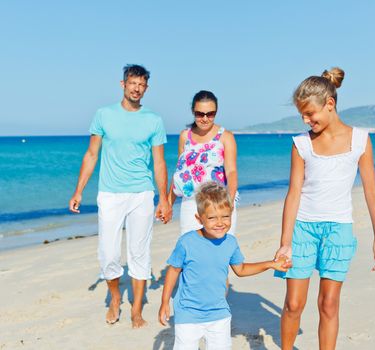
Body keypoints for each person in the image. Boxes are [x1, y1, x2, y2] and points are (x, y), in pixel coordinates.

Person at [274, 67, 375, 349]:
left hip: (338, 230)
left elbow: (372, 191)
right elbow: (294, 193)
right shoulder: (301, 144)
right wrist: (285, 242)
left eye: (310, 113)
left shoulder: (360, 140)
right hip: (303, 229)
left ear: (330, 104)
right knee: (293, 304)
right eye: (302, 115)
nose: (306, 120)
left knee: (329, 304)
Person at [69, 64, 171, 328]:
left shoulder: (154, 120)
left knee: (140, 253)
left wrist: (164, 198)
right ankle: (115, 297)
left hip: (141, 193)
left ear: (146, 88)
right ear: (123, 84)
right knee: (109, 253)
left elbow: (159, 162)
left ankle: (137, 309)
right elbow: (92, 154)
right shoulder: (103, 115)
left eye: (142, 85)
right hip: (110, 193)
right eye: (132, 83)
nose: (136, 88)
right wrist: (79, 190)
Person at [159, 182, 291, 349]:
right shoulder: (186, 242)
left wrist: (271, 264)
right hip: (188, 314)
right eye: (212, 217)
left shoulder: (230, 243)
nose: (220, 222)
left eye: (225, 216)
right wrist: (165, 302)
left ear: (232, 214)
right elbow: (174, 270)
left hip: (219, 314)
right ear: (199, 218)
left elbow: (241, 269)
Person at [169, 90, 239, 235]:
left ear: (216, 112)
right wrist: (168, 203)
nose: (205, 118)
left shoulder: (225, 137)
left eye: (210, 114)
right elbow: (180, 174)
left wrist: (229, 201)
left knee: (222, 251)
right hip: (190, 203)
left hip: (219, 203)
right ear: (193, 112)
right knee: (191, 249)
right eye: (200, 114)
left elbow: (231, 171)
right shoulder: (184, 136)